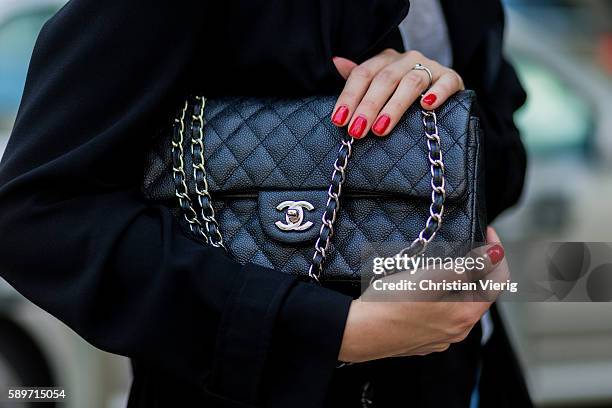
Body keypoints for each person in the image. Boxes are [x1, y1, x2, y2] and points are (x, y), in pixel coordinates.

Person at [0, 0, 530, 406]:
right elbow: (38, 212)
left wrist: (445, 114)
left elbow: (506, 158)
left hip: (468, 370)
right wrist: (325, 331)